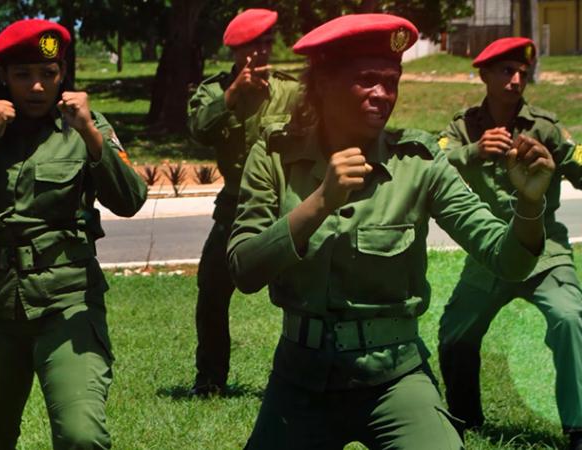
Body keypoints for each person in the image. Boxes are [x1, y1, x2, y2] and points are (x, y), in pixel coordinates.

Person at [228, 14, 555, 449]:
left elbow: (506, 259)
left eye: (392, 80)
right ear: (323, 83)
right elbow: (244, 268)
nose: (383, 95)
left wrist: (530, 205)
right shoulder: (274, 155)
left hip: (395, 379)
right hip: (301, 380)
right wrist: (319, 203)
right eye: (366, 80)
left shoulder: (417, 163)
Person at [0, 19, 147, 449]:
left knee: (82, 436)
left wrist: (88, 131)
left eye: (47, 74)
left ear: (62, 73)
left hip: (68, 302)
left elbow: (130, 199)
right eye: (23, 75)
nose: (36, 87)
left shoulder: (86, 124)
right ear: (2, 77)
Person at [436, 37, 582, 449]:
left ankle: (578, 428)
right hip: (491, 253)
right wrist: (473, 151)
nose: (517, 79)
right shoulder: (463, 127)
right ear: (483, 74)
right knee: (454, 333)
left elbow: (579, 164)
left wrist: (555, 163)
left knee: (571, 320)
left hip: (544, 253)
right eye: (506, 71)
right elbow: (431, 160)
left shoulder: (545, 128)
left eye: (522, 72)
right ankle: (465, 416)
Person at [186, 8, 299, 396]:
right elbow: (199, 130)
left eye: (269, 43)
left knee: (301, 293)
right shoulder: (214, 92)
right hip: (234, 206)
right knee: (212, 291)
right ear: (236, 51)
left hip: (284, 205)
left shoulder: (289, 90)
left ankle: (301, 376)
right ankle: (210, 379)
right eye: (256, 45)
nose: (264, 52)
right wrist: (233, 95)